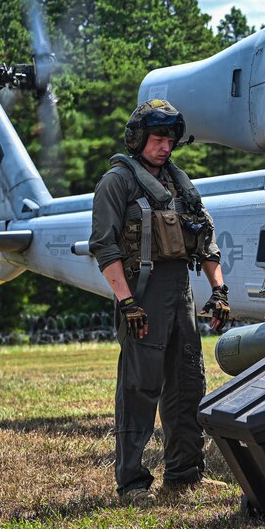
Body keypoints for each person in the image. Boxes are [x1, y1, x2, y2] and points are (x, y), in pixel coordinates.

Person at [90, 99, 230, 505]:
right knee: (138, 389)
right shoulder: (117, 182)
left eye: (169, 140)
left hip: (180, 296)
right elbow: (104, 247)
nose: (165, 147)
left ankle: (185, 472)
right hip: (142, 295)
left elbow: (205, 238)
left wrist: (218, 290)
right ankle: (131, 482)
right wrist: (128, 303)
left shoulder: (180, 183)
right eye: (157, 139)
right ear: (138, 140)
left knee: (188, 386)